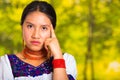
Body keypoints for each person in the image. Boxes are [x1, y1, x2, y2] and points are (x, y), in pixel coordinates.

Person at [0, 1, 77, 80]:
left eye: (44, 28)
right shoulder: (6, 63)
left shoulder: (67, 60)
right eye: (30, 26)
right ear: (22, 27)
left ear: (52, 31)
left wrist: (58, 56)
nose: (36, 35)